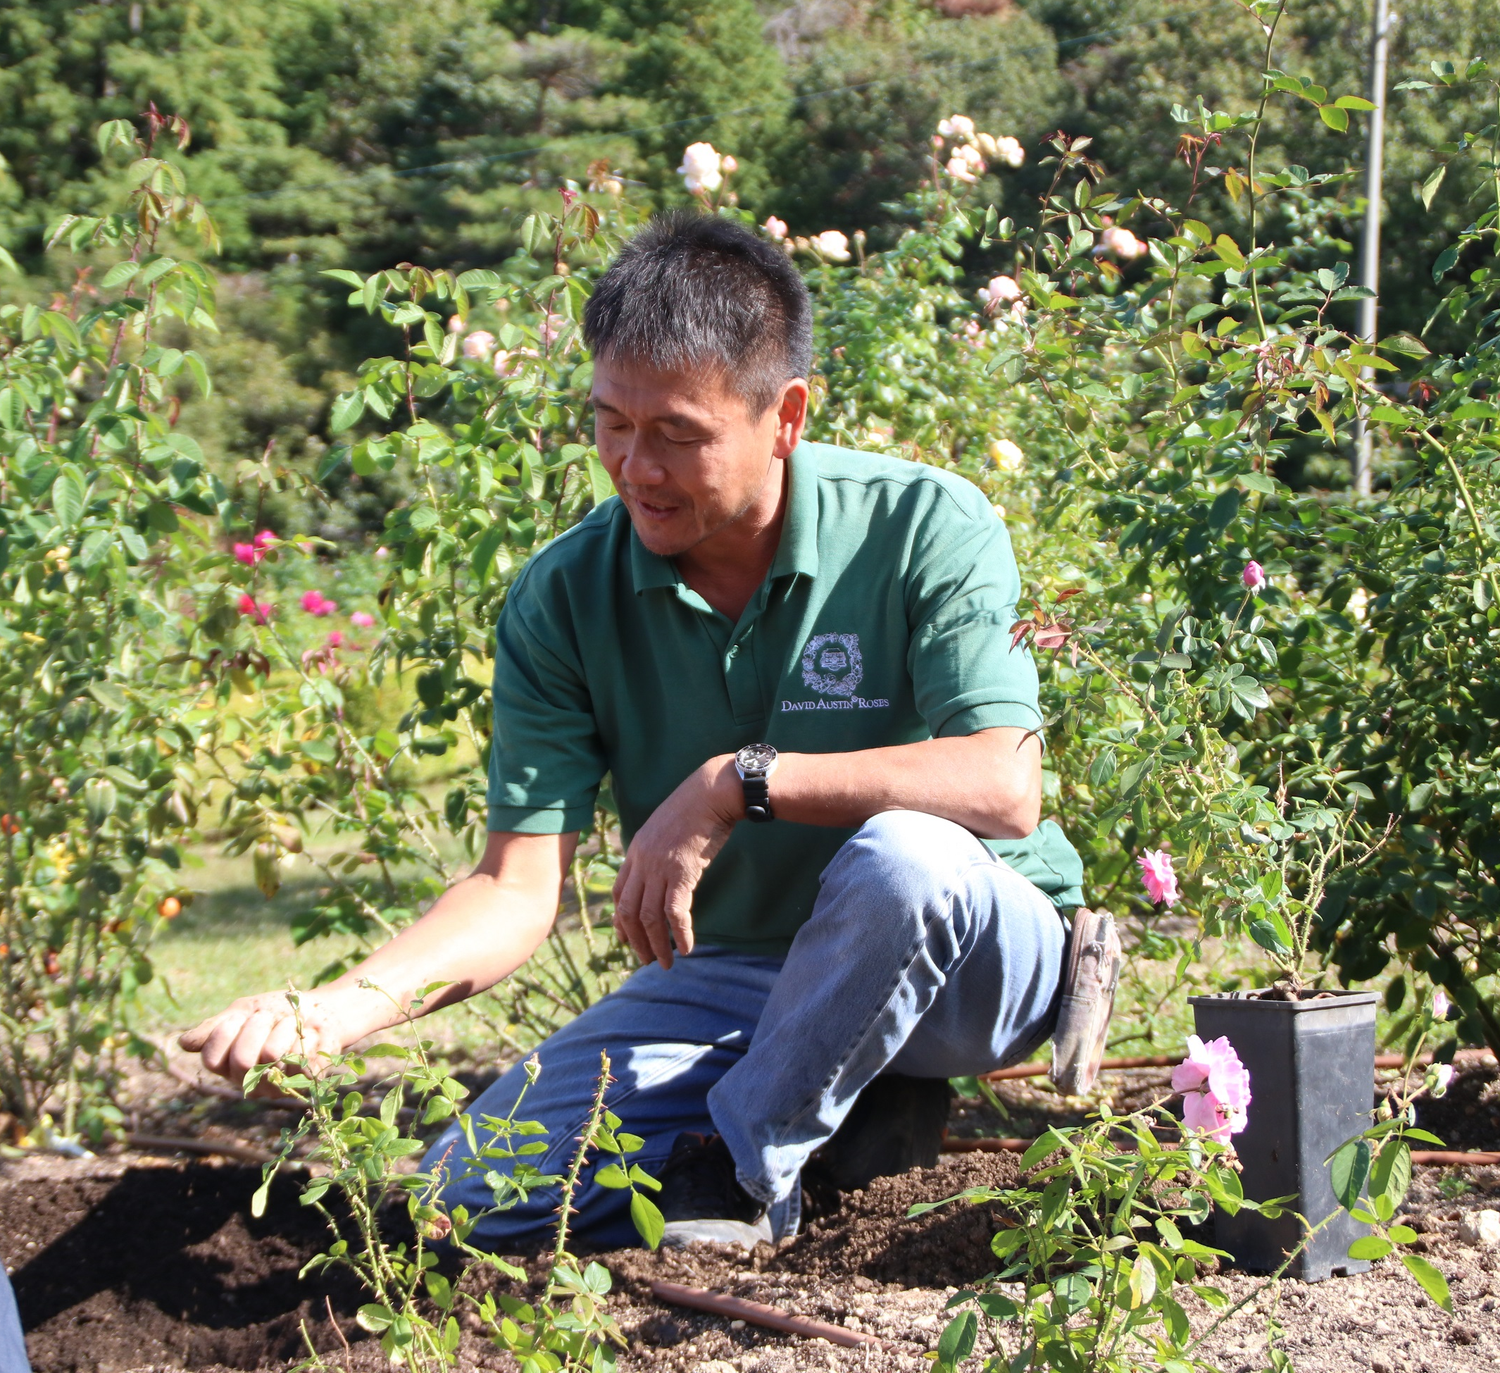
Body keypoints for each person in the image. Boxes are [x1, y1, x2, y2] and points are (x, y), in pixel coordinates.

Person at [181, 211, 1084, 1250]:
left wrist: (737, 781)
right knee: (464, 1200)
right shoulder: (567, 595)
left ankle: (743, 1168)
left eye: (678, 435)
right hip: (745, 975)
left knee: (904, 858)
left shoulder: (923, 522)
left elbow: (1002, 784)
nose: (635, 466)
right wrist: (336, 1012)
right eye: (611, 421)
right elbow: (514, 887)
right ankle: (830, 1115)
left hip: (972, 956)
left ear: (785, 416)